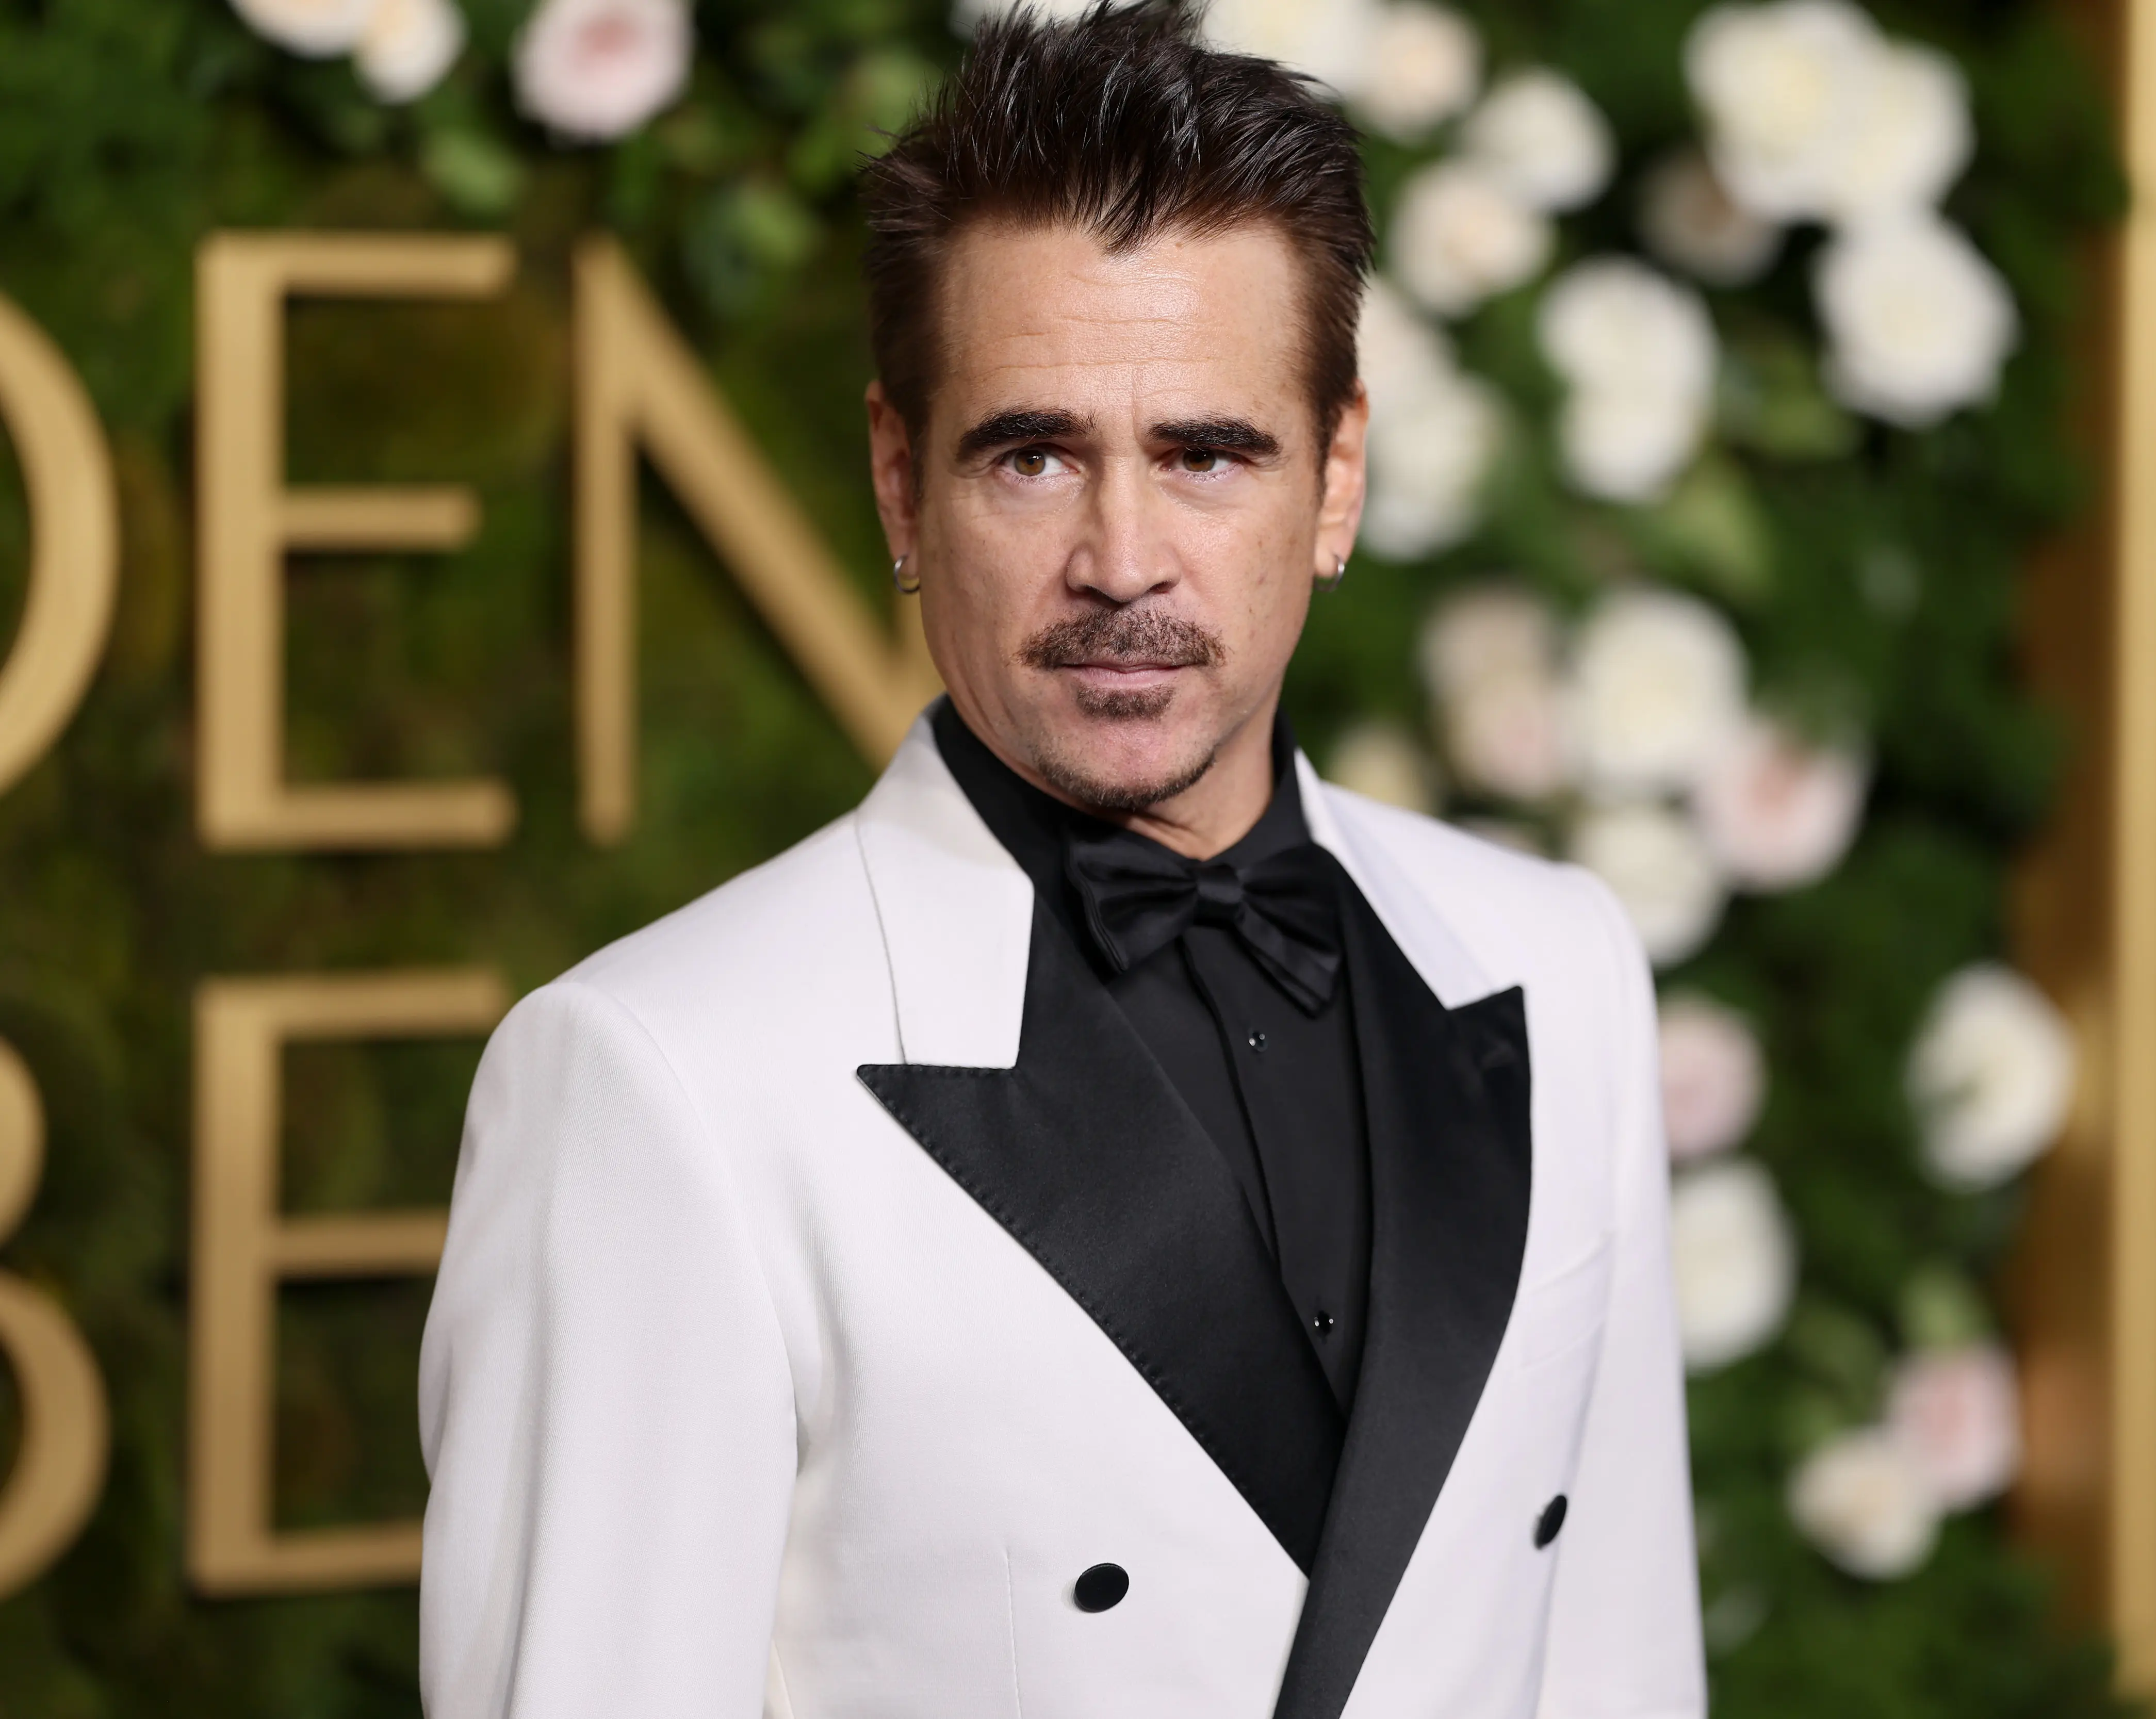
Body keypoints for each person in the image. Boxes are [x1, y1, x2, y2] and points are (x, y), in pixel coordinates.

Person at [417, 5, 1701, 1716]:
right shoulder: (660, 1074)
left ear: (1337, 478)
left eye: (1207, 452)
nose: (1121, 560)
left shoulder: (1558, 961)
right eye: (1033, 455)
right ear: (898, 482)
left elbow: (1618, 1663)